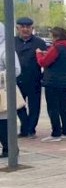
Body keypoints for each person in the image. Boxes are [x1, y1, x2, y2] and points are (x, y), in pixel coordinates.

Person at [36, 27, 66, 142]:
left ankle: (56, 133)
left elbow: (43, 62)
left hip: (52, 82)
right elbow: (60, 60)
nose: (51, 39)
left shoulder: (57, 48)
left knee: (53, 108)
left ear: (56, 37)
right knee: (63, 106)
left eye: (52, 36)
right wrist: (47, 53)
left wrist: (39, 54)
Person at [14, 17, 46, 139]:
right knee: (18, 105)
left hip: (34, 79)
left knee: (34, 106)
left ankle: (30, 129)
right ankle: (25, 126)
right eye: (22, 27)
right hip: (17, 80)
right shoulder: (12, 42)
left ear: (32, 28)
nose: (25, 29)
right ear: (18, 28)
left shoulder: (39, 43)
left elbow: (46, 61)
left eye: (28, 27)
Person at [0, 22, 22, 157]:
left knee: (3, 121)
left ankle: (9, 148)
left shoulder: (6, 49)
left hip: (3, 91)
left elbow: (15, 69)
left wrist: (1, 76)